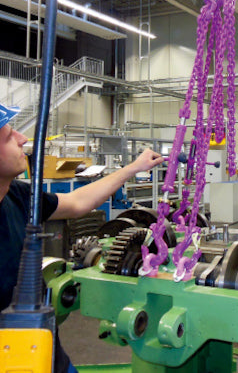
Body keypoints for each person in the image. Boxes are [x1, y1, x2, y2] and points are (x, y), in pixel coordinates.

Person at [0, 103, 164, 372]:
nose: (21, 138)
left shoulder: (17, 195)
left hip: (45, 352)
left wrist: (134, 168)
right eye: (8, 136)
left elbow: (77, 202)